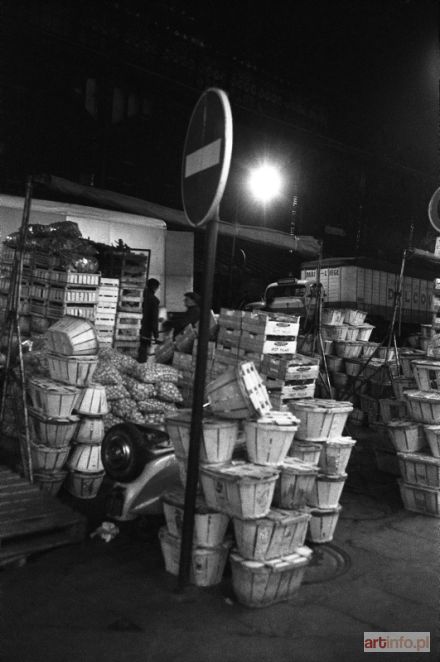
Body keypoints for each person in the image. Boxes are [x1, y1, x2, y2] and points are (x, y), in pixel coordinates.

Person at [138, 278, 160, 363]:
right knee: (142, 351)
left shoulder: (141, 296)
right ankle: (140, 367)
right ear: (156, 288)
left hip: (136, 326)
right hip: (146, 330)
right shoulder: (154, 301)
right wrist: (156, 334)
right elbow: (154, 319)